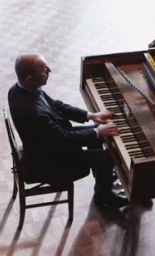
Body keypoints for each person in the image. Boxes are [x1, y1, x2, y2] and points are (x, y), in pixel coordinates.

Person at [7, 53, 129, 208]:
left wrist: (90, 115)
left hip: (48, 141)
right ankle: (103, 196)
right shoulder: (34, 113)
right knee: (109, 156)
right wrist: (97, 132)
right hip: (50, 162)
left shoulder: (19, 89)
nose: (49, 70)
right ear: (30, 78)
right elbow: (64, 139)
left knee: (98, 135)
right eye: (44, 70)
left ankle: (101, 179)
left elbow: (56, 105)